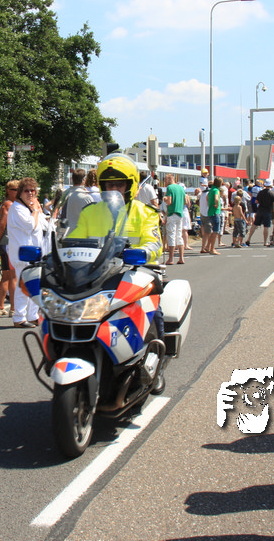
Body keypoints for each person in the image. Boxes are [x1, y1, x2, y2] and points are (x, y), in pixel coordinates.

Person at [70, 154, 165, 391]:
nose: (114, 189)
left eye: (119, 184)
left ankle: (158, 364)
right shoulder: (90, 212)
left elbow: (155, 242)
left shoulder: (146, 213)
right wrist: (62, 251)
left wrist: (143, 252)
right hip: (99, 275)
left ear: (130, 186)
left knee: (155, 311)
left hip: (137, 272)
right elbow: (75, 239)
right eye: (109, 185)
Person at [7, 178, 48, 328]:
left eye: (33, 190)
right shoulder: (17, 208)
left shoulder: (28, 207)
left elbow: (44, 224)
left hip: (33, 254)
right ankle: (19, 317)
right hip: (23, 254)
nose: (30, 193)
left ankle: (32, 316)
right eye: (26, 190)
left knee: (34, 285)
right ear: (20, 192)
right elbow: (30, 225)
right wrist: (36, 210)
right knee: (23, 286)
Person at [0, 180, 18, 317]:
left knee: (6, 276)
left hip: (5, 242)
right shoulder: (9, 205)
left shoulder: (6, 204)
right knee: (12, 276)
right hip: (8, 243)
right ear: (8, 191)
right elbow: (1, 225)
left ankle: (0, 307)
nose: (17, 192)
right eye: (15, 189)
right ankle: (13, 308)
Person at [60, 169, 94, 234]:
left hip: (68, 233)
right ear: (84, 180)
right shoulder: (86, 197)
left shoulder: (66, 194)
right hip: (82, 234)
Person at [163, 173, 186, 264]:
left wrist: (165, 199)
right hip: (180, 213)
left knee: (171, 235)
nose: (165, 182)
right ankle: (181, 257)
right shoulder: (181, 188)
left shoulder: (170, 188)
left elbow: (169, 202)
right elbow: (185, 201)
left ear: (169, 179)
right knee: (179, 235)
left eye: (165, 180)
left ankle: (171, 259)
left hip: (172, 213)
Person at [202, 178, 223, 255]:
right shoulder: (216, 190)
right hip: (215, 212)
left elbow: (207, 197)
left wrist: (209, 204)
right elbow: (216, 198)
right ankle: (212, 248)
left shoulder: (211, 190)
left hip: (210, 212)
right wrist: (216, 204)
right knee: (216, 231)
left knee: (213, 231)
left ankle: (208, 246)